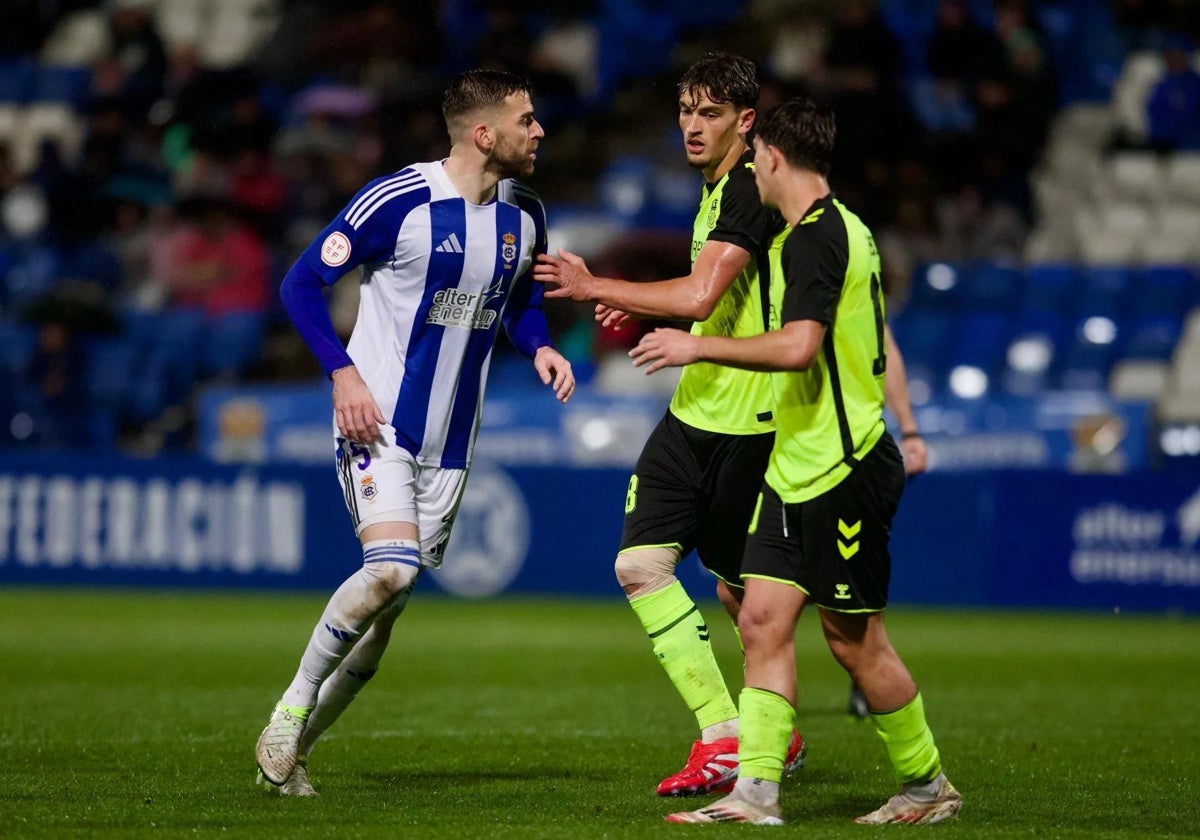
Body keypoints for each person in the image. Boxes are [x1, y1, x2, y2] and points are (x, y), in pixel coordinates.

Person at [630, 98, 962, 826]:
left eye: (755, 159)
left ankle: (926, 783)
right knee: (760, 621)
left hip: (841, 470)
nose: (750, 169)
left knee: (855, 643)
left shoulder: (818, 239)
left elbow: (800, 346)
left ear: (773, 157)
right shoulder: (833, 232)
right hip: (795, 466)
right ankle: (754, 793)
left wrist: (696, 343)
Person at [257, 69, 574, 796]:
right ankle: (288, 711)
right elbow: (300, 284)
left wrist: (541, 345)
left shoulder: (525, 212)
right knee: (390, 571)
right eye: (527, 119)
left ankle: (292, 754)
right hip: (379, 426)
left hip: (453, 444)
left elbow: (520, 295)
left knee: (385, 614)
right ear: (484, 133)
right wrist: (342, 374)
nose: (540, 130)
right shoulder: (398, 201)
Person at [535, 52, 806, 798]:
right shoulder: (717, 189)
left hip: (750, 425)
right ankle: (726, 734)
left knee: (747, 603)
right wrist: (647, 300)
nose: (691, 125)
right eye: (686, 111)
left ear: (745, 122)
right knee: (640, 566)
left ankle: (774, 733)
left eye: (709, 113)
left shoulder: (749, 187)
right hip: (695, 416)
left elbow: (698, 296)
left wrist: (595, 284)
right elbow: (702, 293)